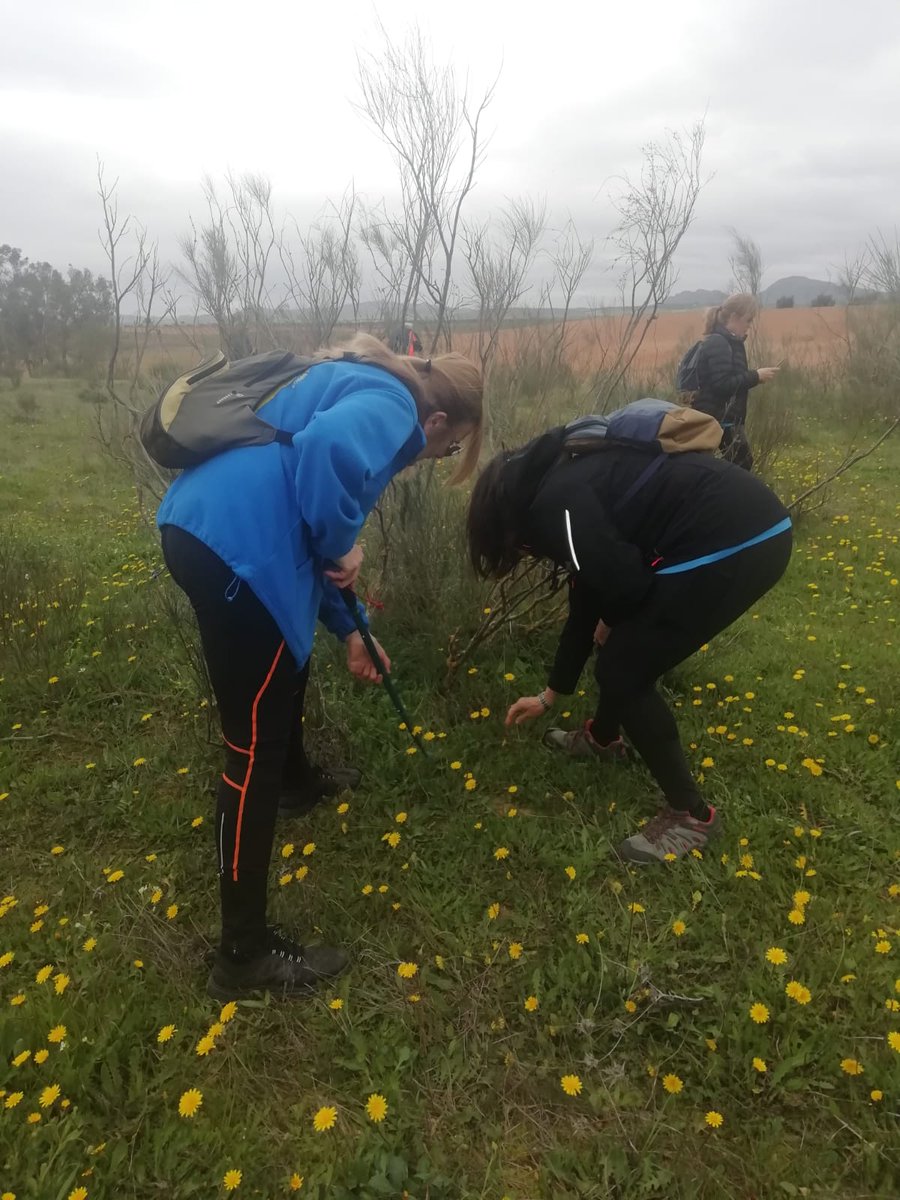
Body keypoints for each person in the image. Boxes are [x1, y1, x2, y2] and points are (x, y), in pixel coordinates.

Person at [157, 334, 483, 998]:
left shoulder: (355, 378)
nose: (434, 458)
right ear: (440, 421)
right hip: (236, 544)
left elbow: (308, 533)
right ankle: (242, 956)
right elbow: (324, 463)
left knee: (284, 658)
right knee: (250, 750)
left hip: (208, 527)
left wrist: (349, 632)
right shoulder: (395, 404)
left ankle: (296, 785)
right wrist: (347, 544)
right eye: (447, 450)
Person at [466, 419, 792, 864]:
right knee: (619, 648)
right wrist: (552, 694)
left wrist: (614, 619)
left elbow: (624, 588)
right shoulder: (557, 480)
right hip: (739, 524)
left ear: (507, 525)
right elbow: (587, 591)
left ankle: (691, 816)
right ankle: (602, 738)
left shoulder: (553, 506)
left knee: (623, 667)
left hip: (740, 537)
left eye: (514, 551)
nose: (524, 556)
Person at [689, 293, 780, 472]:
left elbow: (726, 380)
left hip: (726, 418)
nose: (749, 326)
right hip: (720, 418)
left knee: (735, 466)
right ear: (734, 317)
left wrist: (755, 378)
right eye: (748, 320)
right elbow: (721, 384)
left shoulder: (728, 342)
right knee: (741, 467)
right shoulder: (719, 342)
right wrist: (756, 376)